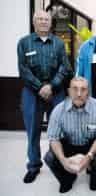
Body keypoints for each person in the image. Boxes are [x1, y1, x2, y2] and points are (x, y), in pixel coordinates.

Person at [17, 10, 71, 183]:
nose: (43, 22)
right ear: (34, 22)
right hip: (32, 91)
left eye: (46, 19)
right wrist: (40, 87)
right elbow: (23, 70)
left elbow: (65, 67)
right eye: (40, 19)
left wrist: (52, 85)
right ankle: (33, 166)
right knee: (33, 130)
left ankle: (58, 161)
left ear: (50, 23)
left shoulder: (59, 43)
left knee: (59, 130)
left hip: (56, 90)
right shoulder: (24, 43)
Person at [44, 77, 96, 193]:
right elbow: (53, 138)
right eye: (75, 89)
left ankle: (94, 175)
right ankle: (67, 178)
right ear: (69, 91)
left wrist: (89, 156)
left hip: (89, 145)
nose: (79, 94)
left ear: (88, 91)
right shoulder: (58, 110)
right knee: (49, 158)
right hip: (69, 144)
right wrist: (63, 160)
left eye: (83, 89)